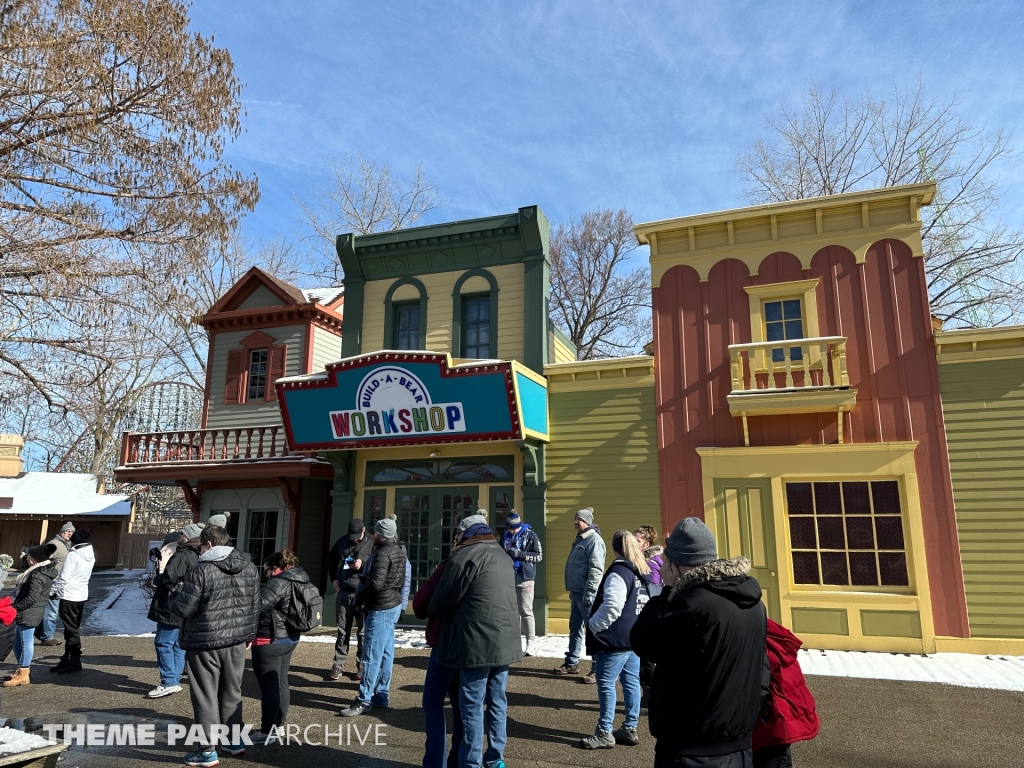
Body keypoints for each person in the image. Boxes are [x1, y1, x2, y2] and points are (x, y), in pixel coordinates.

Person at [630, 518, 769, 768]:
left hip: (692, 746)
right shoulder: (754, 603)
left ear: (676, 565)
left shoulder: (689, 605)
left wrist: (666, 591)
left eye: (666, 562)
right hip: (740, 745)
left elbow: (644, 641)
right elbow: (762, 669)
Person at [428, 512, 522, 768]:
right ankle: (495, 759)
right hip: (506, 640)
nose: (456, 538)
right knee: (497, 702)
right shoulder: (501, 554)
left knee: (471, 705)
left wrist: (430, 609)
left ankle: (470, 763)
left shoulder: (464, 557)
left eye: (458, 534)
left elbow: (441, 600)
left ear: (466, 534)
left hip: (475, 643)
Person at [171, 525, 260, 768]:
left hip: (205, 640)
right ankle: (233, 740)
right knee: (233, 691)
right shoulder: (249, 567)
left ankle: (206, 750)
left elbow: (184, 608)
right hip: (237, 641)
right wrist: (250, 634)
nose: (199, 551)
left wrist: (173, 596)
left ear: (209, 544)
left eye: (200, 547)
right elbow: (255, 605)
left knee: (205, 696)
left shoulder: (201, 570)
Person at [580, 530, 651, 750]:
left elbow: (612, 605)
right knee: (631, 683)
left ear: (614, 549)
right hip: (633, 637)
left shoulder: (619, 571)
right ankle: (630, 728)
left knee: (606, 683)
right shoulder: (639, 571)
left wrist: (593, 625)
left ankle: (604, 732)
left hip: (615, 639)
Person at [340, 518, 410, 717]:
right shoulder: (399, 552)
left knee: (371, 656)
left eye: (376, 533)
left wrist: (359, 598)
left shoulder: (382, 553)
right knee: (386, 653)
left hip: (380, 607)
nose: (374, 535)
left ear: (381, 535)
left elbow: (376, 584)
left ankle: (364, 699)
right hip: (392, 605)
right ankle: (381, 695)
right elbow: (400, 580)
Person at [413, 534, 464, 768]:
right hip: (471, 644)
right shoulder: (491, 563)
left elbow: (420, 602)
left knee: (433, 703)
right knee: (463, 706)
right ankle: (458, 760)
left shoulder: (450, 565)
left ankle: (435, 762)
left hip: (445, 641)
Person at [251, 549, 310, 743]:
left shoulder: (277, 582)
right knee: (281, 683)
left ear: (276, 569)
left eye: (267, 570)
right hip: (291, 638)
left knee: (269, 687)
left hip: (270, 639)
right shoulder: (302, 578)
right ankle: (279, 726)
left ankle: (267, 731)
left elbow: (258, 609)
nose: (265, 574)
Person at [752, 619, 820, 768]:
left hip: (770, 721)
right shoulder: (760, 625)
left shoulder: (753, 638)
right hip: (776, 720)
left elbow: (759, 687)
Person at [147, 523, 203, 699]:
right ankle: (175, 678)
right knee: (178, 644)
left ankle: (169, 681)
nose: (179, 535)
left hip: (172, 603)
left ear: (186, 536)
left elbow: (171, 576)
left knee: (163, 642)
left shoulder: (183, 555)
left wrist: (158, 579)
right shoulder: (198, 555)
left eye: (182, 533)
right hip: (188, 603)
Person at [554, 507, 606, 683]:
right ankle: (572, 663)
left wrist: (590, 593)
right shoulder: (580, 539)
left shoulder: (594, 541)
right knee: (575, 627)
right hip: (576, 592)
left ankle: (597, 668)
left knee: (592, 631)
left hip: (586, 594)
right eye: (575, 518)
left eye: (578, 519)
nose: (575, 522)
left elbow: (596, 569)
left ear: (587, 521)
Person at [326, 518, 374, 681]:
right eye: (351, 535)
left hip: (364, 592)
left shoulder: (372, 542)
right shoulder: (342, 542)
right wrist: (334, 579)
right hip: (344, 591)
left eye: (357, 535)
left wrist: (364, 563)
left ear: (364, 530)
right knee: (342, 630)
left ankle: (362, 665)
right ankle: (338, 663)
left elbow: (380, 564)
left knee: (362, 632)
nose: (354, 539)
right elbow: (332, 560)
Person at [4, 543, 57, 688]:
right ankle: (22, 669)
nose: (27, 558)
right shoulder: (37, 572)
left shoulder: (38, 576)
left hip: (30, 612)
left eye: (30, 556)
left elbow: (32, 597)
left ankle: (23, 672)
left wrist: (16, 608)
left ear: (37, 559)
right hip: (27, 611)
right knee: (17, 643)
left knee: (25, 642)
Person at [50, 528, 96, 675]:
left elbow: (64, 577)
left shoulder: (73, 555)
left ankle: (75, 660)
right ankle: (67, 658)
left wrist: (52, 591)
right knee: (73, 628)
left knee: (71, 630)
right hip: (81, 594)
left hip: (69, 595)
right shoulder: (90, 554)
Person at [500, 510, 543, 656]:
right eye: (509, 528)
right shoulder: (505, 536)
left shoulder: (530, 535)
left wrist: (520, 554)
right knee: (510, 611)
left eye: (514, 528)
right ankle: (512, 642)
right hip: (508, 576)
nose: (512, 530)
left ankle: (531, 642)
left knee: (525, 610)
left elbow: (538, 556)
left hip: (525, 577)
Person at [35, 522, 74, 647]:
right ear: (62, 532)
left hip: (61, 581)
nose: (69, 534)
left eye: (72, 532)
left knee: (50, 609)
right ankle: (47, 637)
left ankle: (41, 632)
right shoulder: (55, 544)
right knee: (51, 610)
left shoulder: (68, 545)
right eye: (67, 531)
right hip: (53, 581)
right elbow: (43, 560)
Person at [633, 525, 664, 595]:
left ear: (646, 545)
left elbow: (654, 594)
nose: (633, 543)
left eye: (638, 541)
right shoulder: (640, 561)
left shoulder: (650, 564)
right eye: (632, 540)